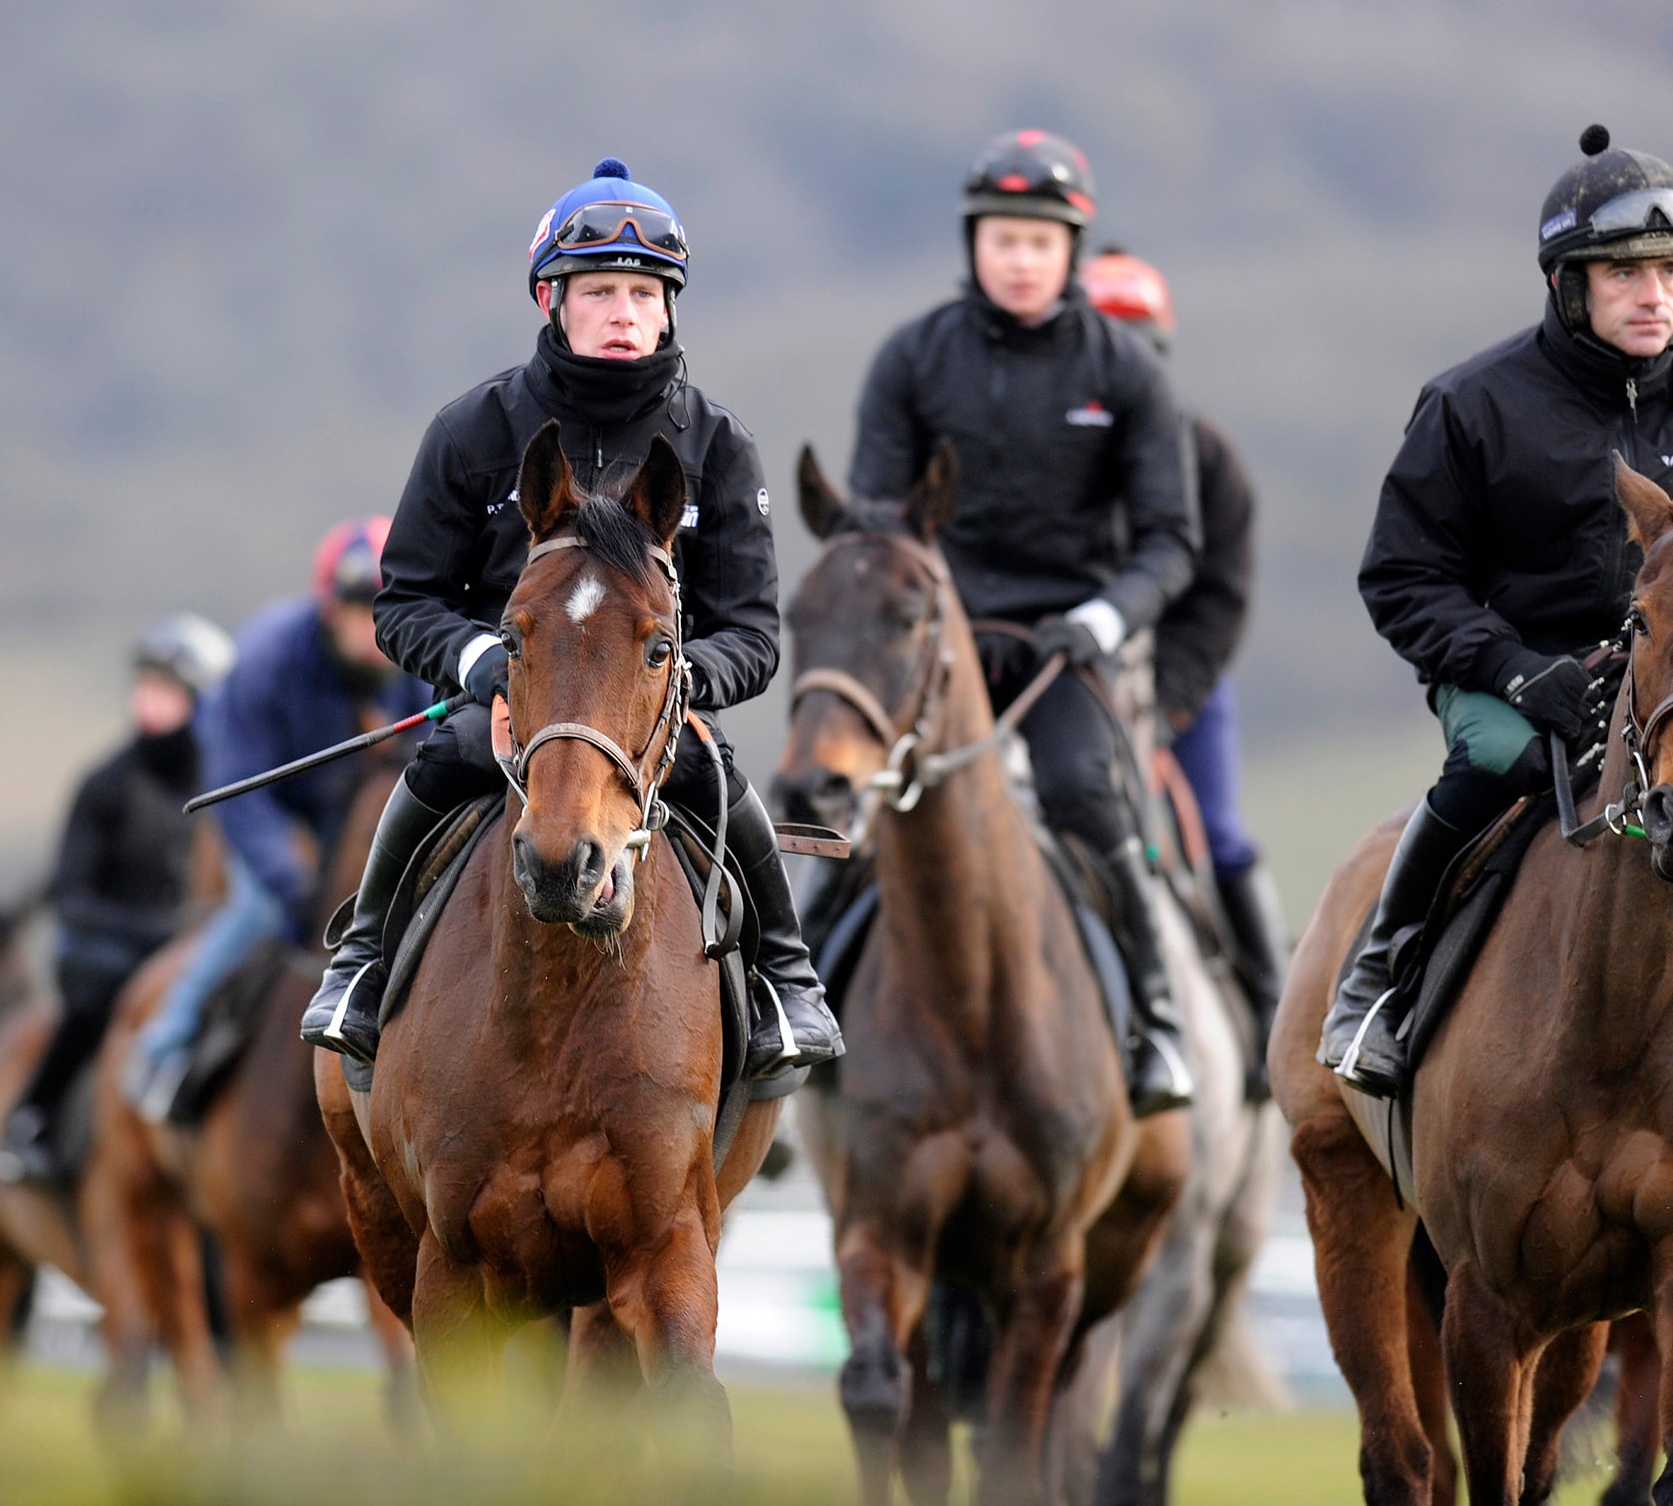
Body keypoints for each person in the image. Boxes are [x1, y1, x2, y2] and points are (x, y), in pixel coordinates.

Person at [1318, 125, 1673, 1130]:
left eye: (1670, 270)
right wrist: (1521, 674)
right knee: (1487, 768)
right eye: (1622, 273)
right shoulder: (1470, 407)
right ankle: (1376, 992)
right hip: (1511, 676)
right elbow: (1401, 577)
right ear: (1568, 285)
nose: (1652, 292)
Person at [298, 158, 844, 1080]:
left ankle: (789, 984)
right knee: (438, 765)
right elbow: (403, 603)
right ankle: (361, 963)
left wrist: (678, 678)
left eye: (643, 292)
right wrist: (481, 664)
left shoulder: (718, 443)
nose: (624, 312)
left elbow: (753, 634)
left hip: (651, 709)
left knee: (725, 785)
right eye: (600, 292)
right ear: (552, 299)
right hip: (513, 699)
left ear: (669, 307)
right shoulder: (471, 431)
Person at [848, 131, 1199, 1116]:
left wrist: (1102, 618)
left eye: (1038, 242)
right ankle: (798, 1021)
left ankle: (1156, 1024)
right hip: (935, 641)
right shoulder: (911, 359)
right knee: (843, 797)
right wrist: (926, 614)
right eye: (1001, 238)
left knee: (1090, 798)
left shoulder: (1127, 373)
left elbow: (1172, 541)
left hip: (1063, 645)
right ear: (973, 243)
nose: (1018, 259)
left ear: (1070, 251)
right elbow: (874, 522)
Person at [124, 521, 424, 1119]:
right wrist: (289, 879)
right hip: (272, 811)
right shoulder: (268, 658)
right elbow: (238, 788)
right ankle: (165, 1045)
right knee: (261, 907)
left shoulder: (413, 656)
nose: (372, 629)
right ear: (327, 609)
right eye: (358, 608)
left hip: (355, 814)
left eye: (384, 609)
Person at [1079, 248, 1288, 1101]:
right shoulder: (1045, 459)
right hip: (1060, 680)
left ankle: (1269, 1010)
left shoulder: (1211, 462)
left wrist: (1166, 706)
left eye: (1141, 346)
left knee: (1222, 836)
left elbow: (1222, 599)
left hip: (1181, 687)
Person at [0, 616, 235, 1184]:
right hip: (102, 951)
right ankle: (32, 1118)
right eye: (144, 685)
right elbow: (71, 895)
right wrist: (154, 934)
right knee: (91, 1007)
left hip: (188, 948)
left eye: (166, 690)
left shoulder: (223, 785)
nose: (148, 701)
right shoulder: (104, 784)